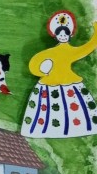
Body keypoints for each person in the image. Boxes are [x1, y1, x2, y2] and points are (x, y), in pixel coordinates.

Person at [21, 10, 97, 138]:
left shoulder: (70, 51)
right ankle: (48, 130)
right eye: (60, 34)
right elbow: (34, 64)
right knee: (48, 109)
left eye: (65, 34)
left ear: (70, 35)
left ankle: (74, 129)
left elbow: (87, 48)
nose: (62, 36)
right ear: (56, 36)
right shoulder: (50, 52)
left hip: (69, 83)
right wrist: (41, 70)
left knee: (75, 108)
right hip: (49, 83)